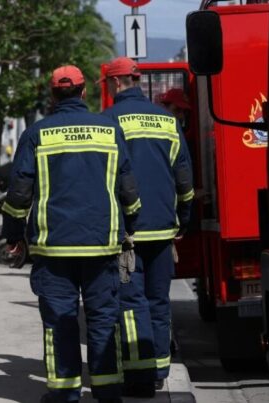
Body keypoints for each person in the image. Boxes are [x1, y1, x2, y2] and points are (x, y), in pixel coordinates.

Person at [1, 65, 141, 403]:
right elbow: (128, 188)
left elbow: (19, 192)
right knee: (103, 318)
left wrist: (13, 235)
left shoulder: (37, 133)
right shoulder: (109, 129)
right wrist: (130, 226)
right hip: (101, 244)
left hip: (54, 248)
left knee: (60, 321)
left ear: (53, 96)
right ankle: (107, 391)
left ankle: (64, 393)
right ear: (83, 93)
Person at [100, 57, 194, 395]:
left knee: (130, 302)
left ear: (114, 83)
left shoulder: (107, 121)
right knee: (158, 300)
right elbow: (184, 176)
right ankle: (159, 368)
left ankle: (140, 377)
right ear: (137, 80)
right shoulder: (168, 121)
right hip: (162, 230)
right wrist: (183, 218)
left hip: (126, 233)